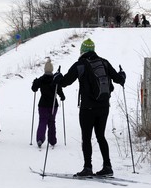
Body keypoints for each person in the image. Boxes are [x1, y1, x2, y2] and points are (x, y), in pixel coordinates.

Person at [53, 38, 126, 177]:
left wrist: (57, 77)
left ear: (82, 51)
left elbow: (65, 82)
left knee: (86, 137)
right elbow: (118, 79)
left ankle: (87, 167)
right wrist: (122, 75)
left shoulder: (80, 65)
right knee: (101, 136)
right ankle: (107, 166)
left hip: (88, 108)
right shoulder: (104, 62)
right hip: (104, 106)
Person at [31, 58, 65, 148]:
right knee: (51, 122)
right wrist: (62, 96)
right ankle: (52, 140)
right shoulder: (55, 79)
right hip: (53, 104)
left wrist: (35, 83)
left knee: (42, 121)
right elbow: (59, 90)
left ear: (44, 69)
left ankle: (40, 139)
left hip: (42, 104)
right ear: (52, 69)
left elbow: (34, 89)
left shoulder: (41, 79)